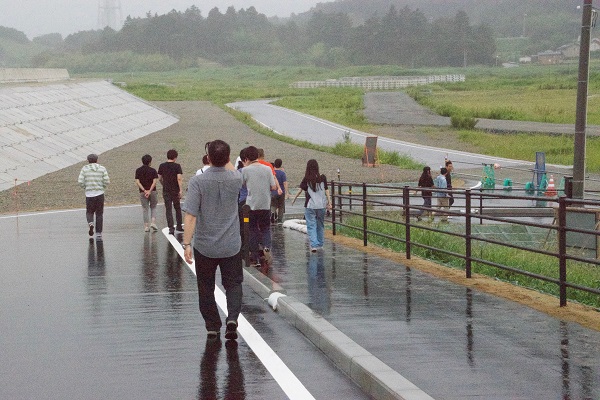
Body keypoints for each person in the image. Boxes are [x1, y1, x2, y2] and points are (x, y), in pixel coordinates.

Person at [182, 140, 243, 341]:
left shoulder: (197, 182)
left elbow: (191, 216)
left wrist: (187, 243)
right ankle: (232, 318)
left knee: (205, 286)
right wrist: (224, 159)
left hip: (205, 245)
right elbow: (230, 168)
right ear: (228, 157)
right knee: (233, 284)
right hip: (231, 244)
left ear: (207, 158)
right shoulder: (236, 178)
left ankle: (212, 326)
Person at [242, 146, 277, 266]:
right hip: (265, 204)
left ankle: (255, 258)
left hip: (251, 205)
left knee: (252, 230)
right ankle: (266, 247)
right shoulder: (267, 168)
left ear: (247, 158)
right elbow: (273, 186)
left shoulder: (245, 170)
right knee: (265, 228)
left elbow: (241, 184)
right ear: (258, 156)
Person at [292, 159, 331, 252]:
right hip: (321, 205)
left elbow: (300, 190)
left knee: (311, 225)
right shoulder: (323, 177)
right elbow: (326, 190)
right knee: (320, 225)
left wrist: (294, 199)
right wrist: (329, 202)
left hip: (310, 205)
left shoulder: (307, 178)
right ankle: (320, 244)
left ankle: (314, 245)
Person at [78, 153, 110, 241]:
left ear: (88, 160)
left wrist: (86, 187)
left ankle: (91, 223)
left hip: (89, 194)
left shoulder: (84, 169)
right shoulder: (102, 168)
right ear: (97, 160)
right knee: (99, 214)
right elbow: (107, 181)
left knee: (89, 212)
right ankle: (98, 233)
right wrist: (102, 187)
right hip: (100, 193)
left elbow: (80, 181)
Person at [158, 149, 183, 235]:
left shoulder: (162, 166)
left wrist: (163, 184)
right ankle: (179, 225)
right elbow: (179, 178)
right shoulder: (177, 166)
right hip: (175, 190)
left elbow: (159, 178)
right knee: (177, 208)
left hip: (166, 190)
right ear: (175, 157)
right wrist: (180, 189)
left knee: (168, 209)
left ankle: (171, 228)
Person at [135, 154, 159, 232]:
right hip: (153, 191)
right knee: (153, 207)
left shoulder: (138, 170)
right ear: (150, 162)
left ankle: (146, 226)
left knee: (145, 209)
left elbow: (137, 182)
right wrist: (149, 191)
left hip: (142, 192)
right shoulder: (153, 170)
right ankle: (153, 222)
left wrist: (144, 190)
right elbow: (154, 182)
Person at [270, 158, 288, 224]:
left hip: (273, 192)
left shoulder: (272, 173)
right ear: (281, 165)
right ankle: (280, 220)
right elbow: (285, 183)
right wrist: (287, 192)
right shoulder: (282, 173)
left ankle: (272, 213)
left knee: (273, 205)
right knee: (281, 206)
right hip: (281, 192)